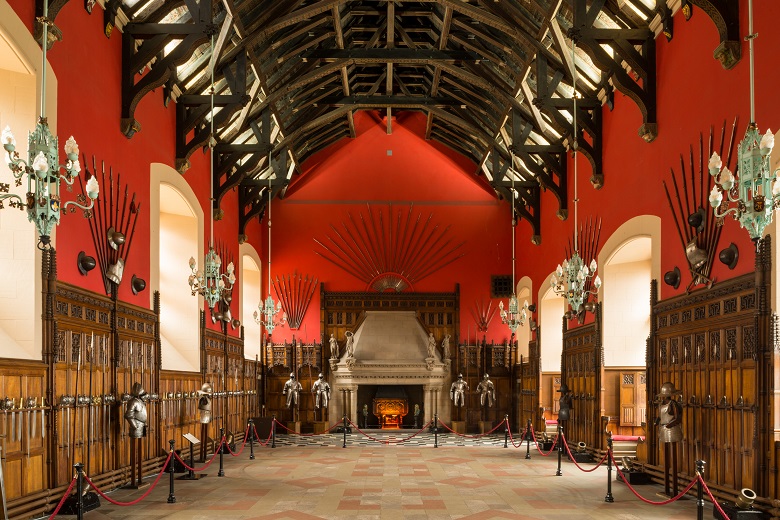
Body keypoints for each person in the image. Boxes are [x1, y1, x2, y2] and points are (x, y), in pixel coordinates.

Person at [655, 382, 683, 496]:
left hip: (671, 429)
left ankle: (674, 489)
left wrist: (669, 425)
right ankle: (667, 488)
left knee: (673, 456)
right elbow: (660, 416)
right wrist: (656, 422)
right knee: (665, 455)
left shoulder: (673, 403)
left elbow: (677, 418)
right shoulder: (662, 404)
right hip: (663, 429)